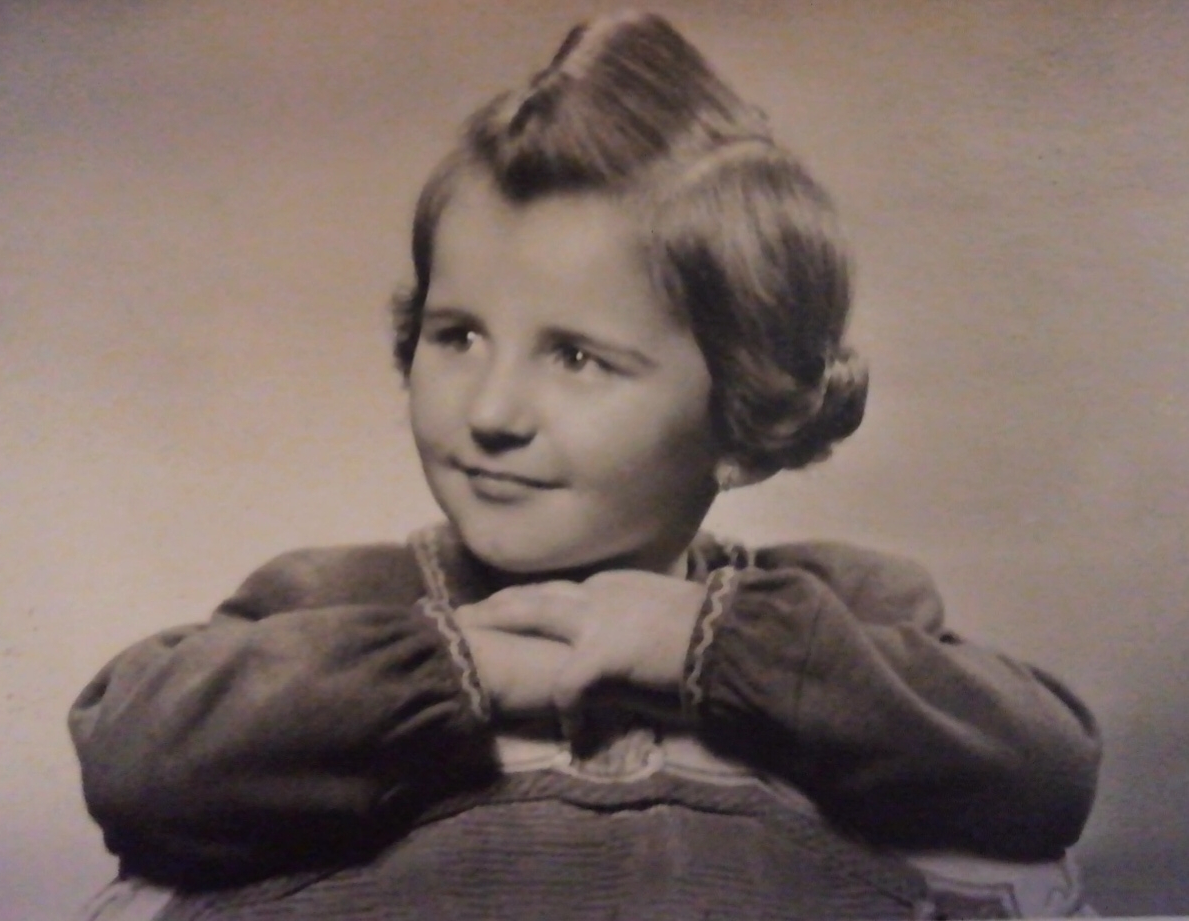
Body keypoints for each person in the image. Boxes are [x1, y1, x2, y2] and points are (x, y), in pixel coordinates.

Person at [69, 12, 1101, 920]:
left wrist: (709, 649)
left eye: (576, 358)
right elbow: (136, 763)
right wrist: (456, 669)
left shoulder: (832, 615)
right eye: (457, 335)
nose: (491, 412)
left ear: (741, 421)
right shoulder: (333, 605)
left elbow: (1044, 776)